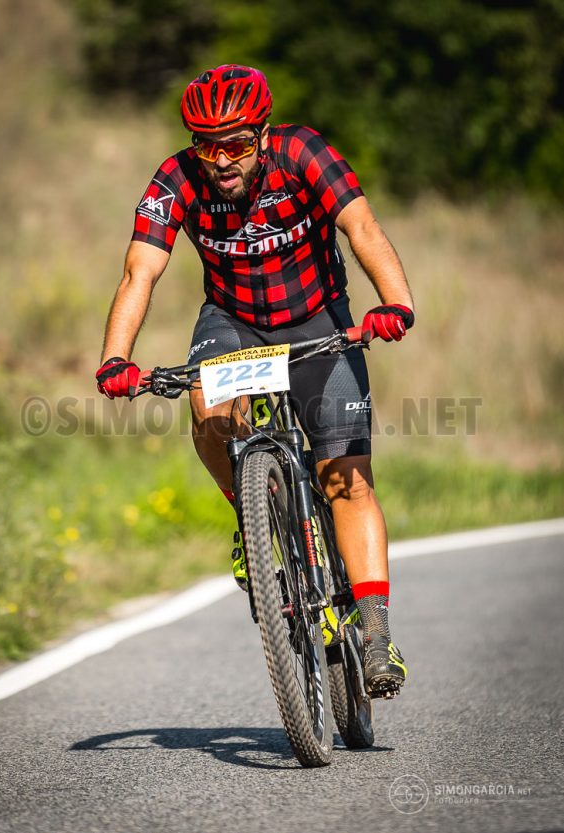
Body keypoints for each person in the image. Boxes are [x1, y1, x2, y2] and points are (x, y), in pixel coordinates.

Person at [96, 64, 414, 698]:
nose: (220, 159)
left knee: (343, 478)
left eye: (236, 143)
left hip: (318, 317)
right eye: (205, 144)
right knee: (208, 406)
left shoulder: (304, 152)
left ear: (263, 134)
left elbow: (363, 229)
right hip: (234, 320)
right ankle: (253, 518)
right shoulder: (175, 179)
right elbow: (139, 271)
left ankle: (376, 634)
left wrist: (395, 303)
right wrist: (115, 358)